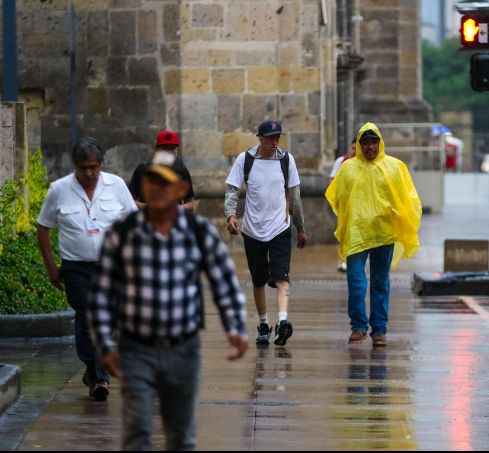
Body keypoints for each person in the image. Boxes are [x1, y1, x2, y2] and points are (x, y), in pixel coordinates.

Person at [88, 150, 248, 450]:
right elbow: (102, 289)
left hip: (183, 348)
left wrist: (235, 326)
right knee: (137, 429)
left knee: (180, 433)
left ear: (181, 189)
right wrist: (105, 344)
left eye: (166, 182)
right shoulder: (123, 233)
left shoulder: (197, 232)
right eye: (152, 181)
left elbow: (223, 280)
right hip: (136, 347)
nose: (158, 188)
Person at [36, 137, 137, 401]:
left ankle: (93, 370)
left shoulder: (116, 186)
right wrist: (50, 266)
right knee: (87, 316)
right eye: (84, 168)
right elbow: (43, 226)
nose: (90, 173)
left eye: (94, 167)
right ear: (75, 166)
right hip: (76, 268)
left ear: (102, 163)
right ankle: (99, 376)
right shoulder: (59, 190)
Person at [325, 123, 422, 346]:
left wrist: (399, 215)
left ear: (380, 142)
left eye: (373, 141)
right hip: (357, 234)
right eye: (365, 142)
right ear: (359, 145)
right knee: (356, 281)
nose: (370, 146)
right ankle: (358, 326)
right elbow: (337, 196)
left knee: (380, 282)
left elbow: (408, 197)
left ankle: (379, 330)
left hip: (383, 233)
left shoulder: (395, 167)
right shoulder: (348, 169)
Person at [225, 120, 307, 347]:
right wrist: (231, 215)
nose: (274, 142)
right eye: (270, 138)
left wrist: (300, 228)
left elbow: (295, 196)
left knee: (282, 277)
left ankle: (282, 321)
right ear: (259, 137)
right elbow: (232, 189)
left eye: (277, 137)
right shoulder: (245, 160)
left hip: (280, 228)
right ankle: (263, 323)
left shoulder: (286, 160)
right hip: (252, 231)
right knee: (258, 279)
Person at [128, 130, 195, 211]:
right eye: (164, 148)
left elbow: (191, 203)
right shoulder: (142, 170)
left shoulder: (182, 170)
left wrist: (176, 208)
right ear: (156, 149)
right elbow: (130, 201)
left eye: (172, 148)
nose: (169, 152)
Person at [329, 139, 357, 273]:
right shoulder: (341, 161)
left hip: (358, 206)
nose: (354, 151)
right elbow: (332, 180)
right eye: (353, 147)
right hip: (343, 205)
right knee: (344, 233)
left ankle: (351, 259)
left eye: (357, 148)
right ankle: (343, 260)